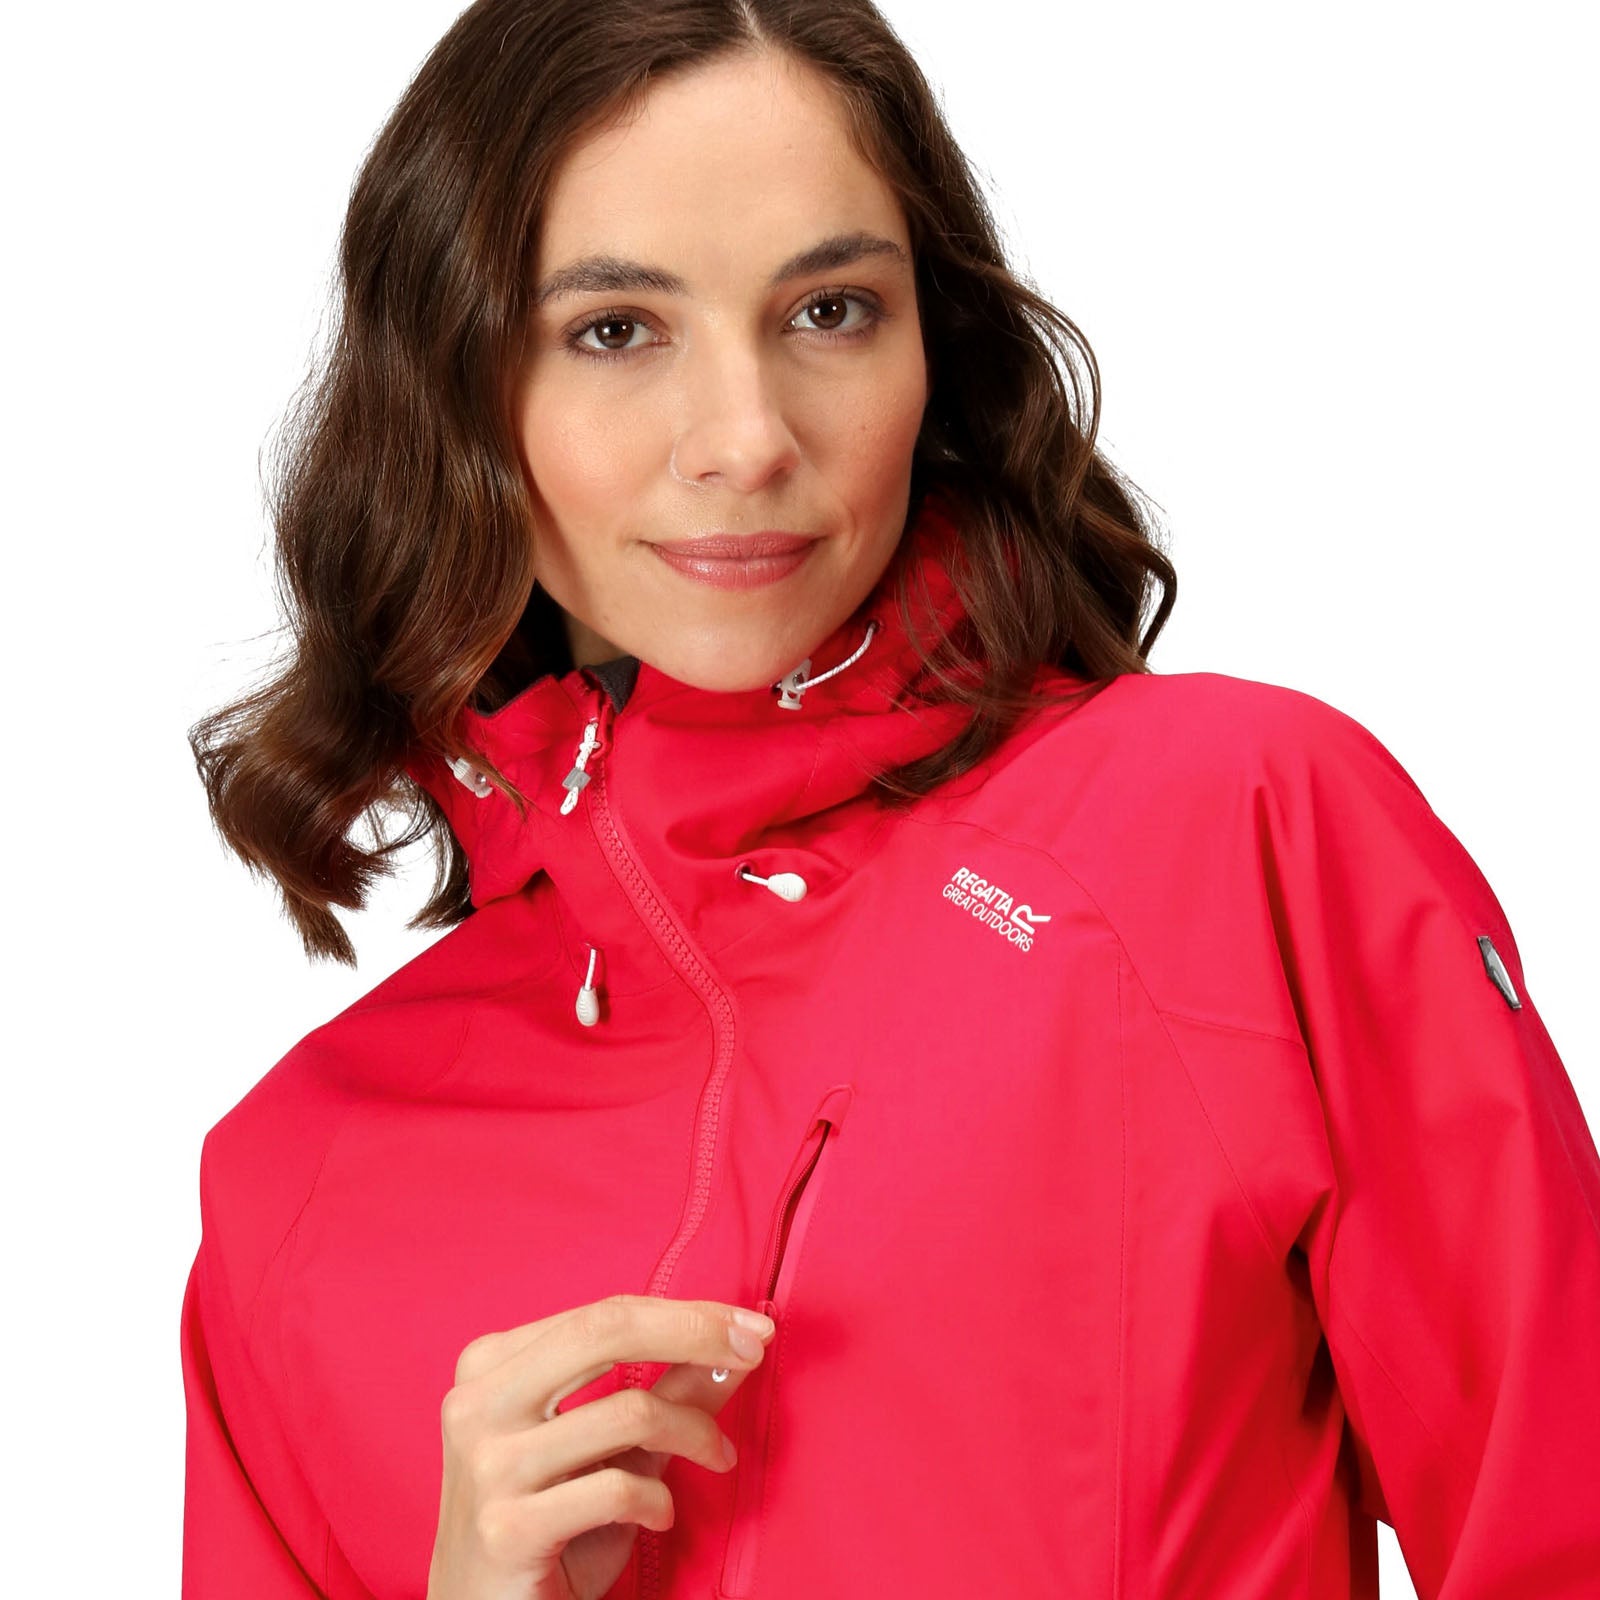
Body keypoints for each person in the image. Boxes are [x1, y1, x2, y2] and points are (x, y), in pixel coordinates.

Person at [178, 1, 1600, 1596]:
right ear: (451, 394)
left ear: (936, 352)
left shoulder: (1224, 832)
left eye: (831, 310)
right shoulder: (297, 1184)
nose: (747, 440)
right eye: (616, 331)